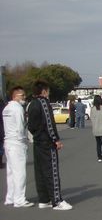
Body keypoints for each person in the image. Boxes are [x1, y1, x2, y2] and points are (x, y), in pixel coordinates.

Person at [27, 80, 71, 210]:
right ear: (44, 91)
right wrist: (55, 139)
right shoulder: (43, 103)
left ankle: (44, 199)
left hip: (37, 141)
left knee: (40, 171)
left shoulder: (31, 104)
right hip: (47, 142)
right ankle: (57, 201)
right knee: (52, 171)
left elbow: (30, 125)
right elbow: (49, 123)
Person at [3, 86, 33, 207]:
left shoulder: (6, 108)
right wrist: (25, 139)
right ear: (15, 96)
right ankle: (19, 199)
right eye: (22, 95)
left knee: (10, 173)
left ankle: (10, 197)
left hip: (8, 142)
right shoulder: (18, 109)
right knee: (20, 173)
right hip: (17, 142)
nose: (24, 98)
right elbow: (21, 127)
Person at [89, 95, 102, 161]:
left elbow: (91, 118)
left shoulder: (92, 109)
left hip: (96, 128)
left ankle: (99, 158)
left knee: (98, 143)